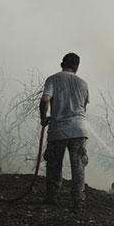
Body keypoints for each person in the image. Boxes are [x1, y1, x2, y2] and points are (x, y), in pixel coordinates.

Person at [39, 52, 90, 209]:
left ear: (62, 64)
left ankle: (52, 197)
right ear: (76, 67)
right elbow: (83, 108)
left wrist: (43, 118)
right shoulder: (83, 83)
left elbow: (45, 99)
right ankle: (78, 201)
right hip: (79, 130)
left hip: (58, 130)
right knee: (78, 166)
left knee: (54, 165)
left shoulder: (53, 79)